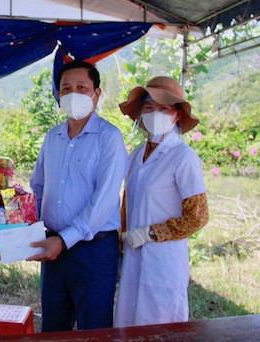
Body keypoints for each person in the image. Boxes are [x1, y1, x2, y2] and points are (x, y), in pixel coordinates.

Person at [28, 60, 127, 331]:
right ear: (58, 95)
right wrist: (30, 226)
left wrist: (63, 240)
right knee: (54, 327)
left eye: (82, 87)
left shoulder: (109, 137)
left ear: (97, 93)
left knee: (94, 328)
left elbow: (104, 200)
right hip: (52, 249)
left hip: (93, 249)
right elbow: (37, 187)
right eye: (66, 88)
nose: (73, 94)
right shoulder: (52, 137)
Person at [115, 76, 209, 327]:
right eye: (149, 108)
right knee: (129, 321)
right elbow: (128, 204)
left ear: (177, 115)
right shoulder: (135, 156)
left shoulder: (183, 157)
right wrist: (122, 240)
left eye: (164, 109)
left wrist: (150, 233)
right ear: (141, 116)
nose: (155, 114)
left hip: (164, 257)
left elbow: (197, 216)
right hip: (133, 253)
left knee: (161, 323)